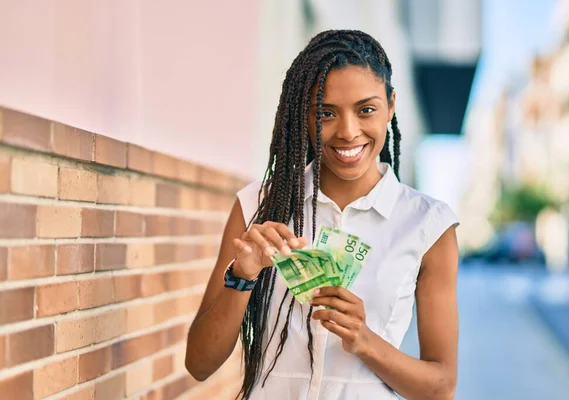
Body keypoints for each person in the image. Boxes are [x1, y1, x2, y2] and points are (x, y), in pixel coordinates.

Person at [185, 29, 460, 400]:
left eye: (366, 110)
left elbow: (441, 388)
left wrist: (365, 341)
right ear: (304, 114)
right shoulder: (257, 206)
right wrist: (242, 276)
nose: (348, 132)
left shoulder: (428, 225)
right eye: (326, 113)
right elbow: (199, 364)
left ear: (391, 106)